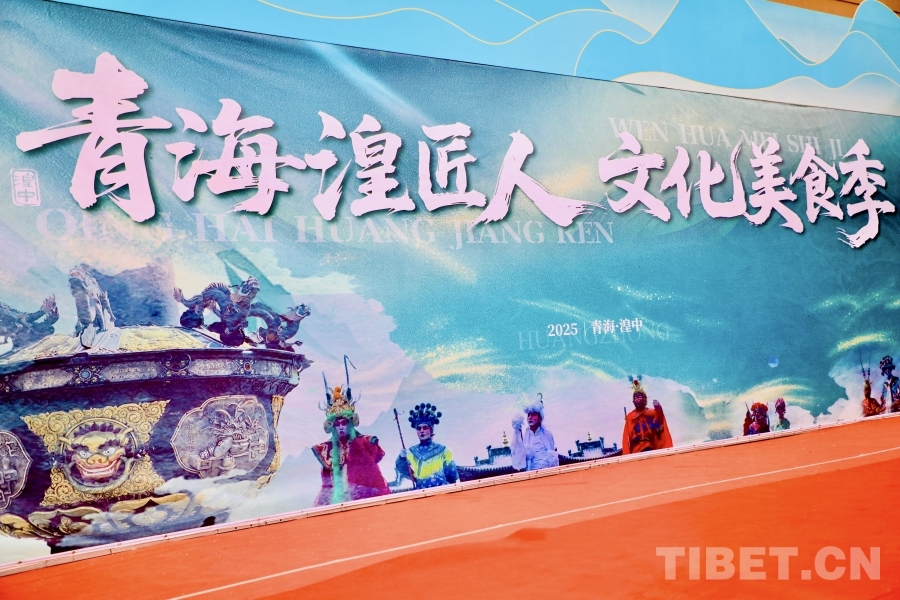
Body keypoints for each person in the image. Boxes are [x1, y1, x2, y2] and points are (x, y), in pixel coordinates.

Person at [312, 358, 390, 506]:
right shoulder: (327, 450)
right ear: (333, 426)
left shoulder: (364, 443)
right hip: (339, 499)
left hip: (362, 495)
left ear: (350, 423)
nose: (341, 427)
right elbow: (327, 482)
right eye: (337, 424)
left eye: (344, 423)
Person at [395, 403, 459, 489]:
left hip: (442, 490)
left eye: (425, 428)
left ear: (431, 430)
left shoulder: (444, 451)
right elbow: (401, 467)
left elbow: (452, 476)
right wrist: (402, 458)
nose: (421, 431)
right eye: (419, 428)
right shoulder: (411, 452)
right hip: (421, 491)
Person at [622, 376, 673, 454]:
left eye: (639, 397)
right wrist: (627, 454)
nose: (637, 399)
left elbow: (658, 422)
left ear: (644, 399)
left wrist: (658, 409)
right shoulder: (630, 416)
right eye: (635, 397)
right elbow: (626, 437)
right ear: (633, 401)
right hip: (636, 450)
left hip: (649, 447)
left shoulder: (650, 413)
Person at [511, 394, 559, 471]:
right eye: (528, 415)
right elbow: (519, 461)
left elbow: (553, 459)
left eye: (533, 414)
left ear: (539, 417)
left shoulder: (548, 435)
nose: (530, 417)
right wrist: (518, 431)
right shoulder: (524, 437)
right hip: (532, 474)